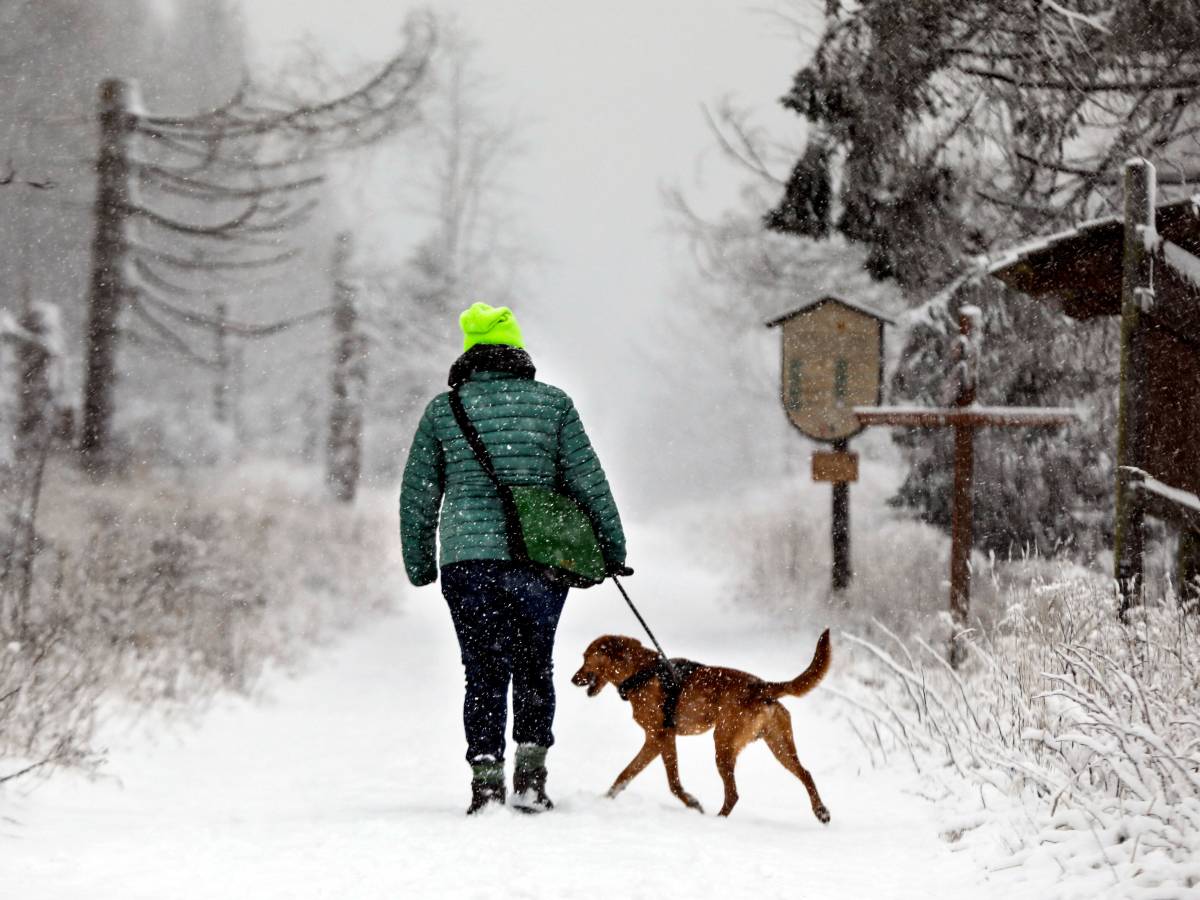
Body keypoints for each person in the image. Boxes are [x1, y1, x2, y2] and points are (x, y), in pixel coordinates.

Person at [400, 303, 628, 815]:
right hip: (539, 560)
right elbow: (587, 480)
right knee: (533, 664)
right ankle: (530, 778)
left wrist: (420, 562)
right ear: (516, 350)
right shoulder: (554, 405)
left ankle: (485, 782)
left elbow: (418, 494)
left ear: (470, 353)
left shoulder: (444, 410)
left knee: (481, 669)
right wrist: (611, 548)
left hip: (467, 561)